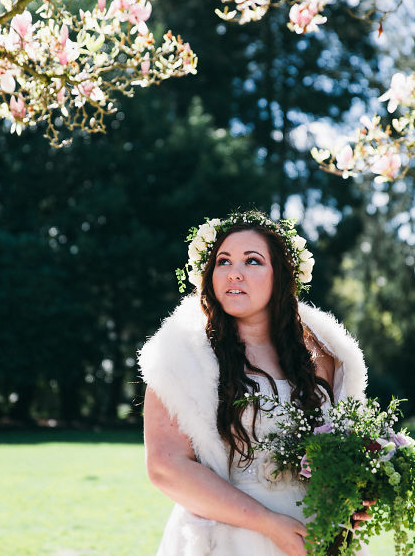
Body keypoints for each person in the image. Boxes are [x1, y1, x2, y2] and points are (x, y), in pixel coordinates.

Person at [140, 211, 371, 556]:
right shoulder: (180, 358)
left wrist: (354, 487)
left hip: (315, 534)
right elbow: (165, 467)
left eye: (252, 261)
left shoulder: (325, 356)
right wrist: (267, 523)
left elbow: (342, 445)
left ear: (281, 275)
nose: (235, 272)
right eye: (223, 261)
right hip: (227, 536)